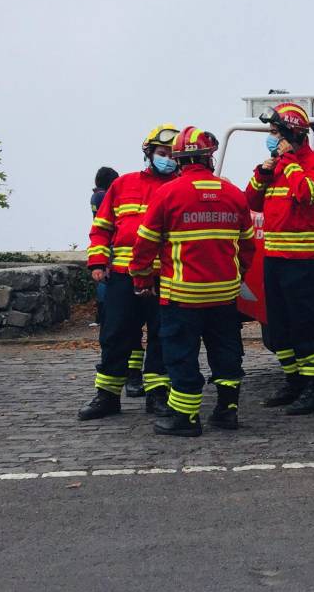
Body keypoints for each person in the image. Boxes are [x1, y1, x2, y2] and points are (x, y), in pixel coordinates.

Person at [129, 126, 255, 437]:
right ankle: (227, 411)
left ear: (179, 159)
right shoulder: (232, 193)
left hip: (182, 296)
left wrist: (142, 278)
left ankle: (185, 418)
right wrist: (237, 273)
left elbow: (144, 244)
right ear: (209, 158)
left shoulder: (167, 193)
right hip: (224, 295)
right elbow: (248, 245)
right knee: (226, 352)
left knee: (181, 355)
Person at [79, 125, 179, 420]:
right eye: (162, 153)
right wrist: (98, 262)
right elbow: (101, 228)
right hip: (123, 277)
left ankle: (158, 395)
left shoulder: (181, 188)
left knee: (163, 336)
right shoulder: (123, 185)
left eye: (172, 154)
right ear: (149, 153)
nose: (167, 159)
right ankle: (107, 396)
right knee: (115, 334)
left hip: (165, 277)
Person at [246, 102, 314, 415]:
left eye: (276, 133)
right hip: (274, 258)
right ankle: (293, 381)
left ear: (293, 134)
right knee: (279, 325)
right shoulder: (277, 165)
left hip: (303, 260)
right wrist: (262, 172)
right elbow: (251, 201)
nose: (271, 138)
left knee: (304, 324)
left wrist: (289, 161)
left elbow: (306, 195)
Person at [91, 166, 118, 328]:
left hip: (103, 241)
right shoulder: (104, 196)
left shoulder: (95, 196)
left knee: (102, 279)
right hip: (109, 241)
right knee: (105, 279)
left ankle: (101, 314)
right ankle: (103, 314)